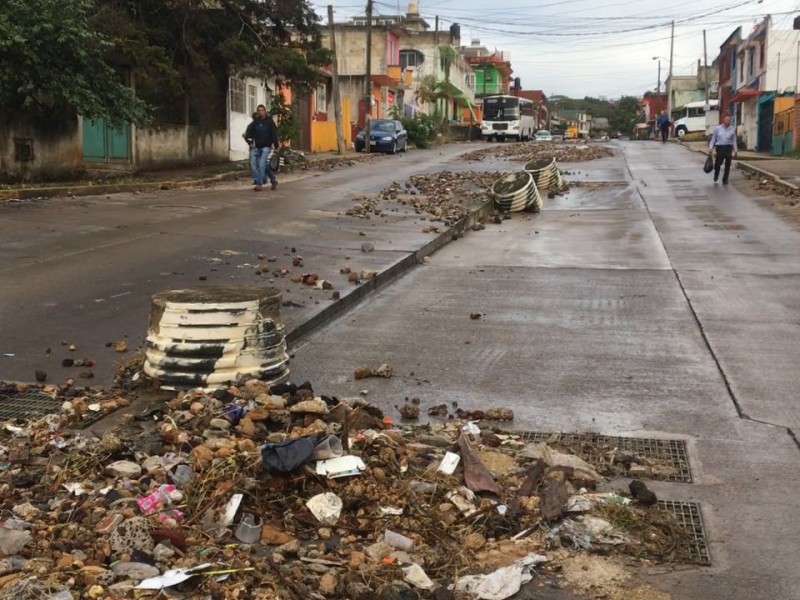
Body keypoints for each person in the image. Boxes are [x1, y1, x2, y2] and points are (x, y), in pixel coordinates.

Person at [243, 105, 279, 191]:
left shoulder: (269, 121)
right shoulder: (256, 121)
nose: (260, 112)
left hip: (266, 146)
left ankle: (259, 184)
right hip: (258, 147)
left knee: (261, 164)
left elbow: (274, 133)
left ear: (265, 111)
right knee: (264, 166)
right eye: (259, 110)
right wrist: (247, 136)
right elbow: (251, 132)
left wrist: (276, 145)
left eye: (262, 110)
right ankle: (273, 180)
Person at [708, 115, 738, 185]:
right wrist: (711, 148)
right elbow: (713, 139)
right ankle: (716, 174)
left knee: (728, 164)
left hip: (728, 147)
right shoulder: (718, 129)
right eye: (726, 120)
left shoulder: (732, 129)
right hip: (720, 148)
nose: (728, 121)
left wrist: (735, 150)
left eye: (729, 120)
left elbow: (734, 140)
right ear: (723, 121)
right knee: (718, 163)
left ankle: (725, 179)